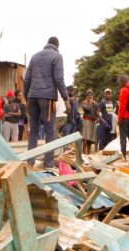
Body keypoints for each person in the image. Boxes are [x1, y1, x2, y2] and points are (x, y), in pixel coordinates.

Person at [24, 37, 69, 168]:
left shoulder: (35, 57)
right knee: (49, 131)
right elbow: (59, 78)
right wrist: (66, 99)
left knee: (33, 130)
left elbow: (27, 79)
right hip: (47, 98)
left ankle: (29, 162)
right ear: (57, 46)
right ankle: (48, 163)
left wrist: (27, 98)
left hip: (32, 95)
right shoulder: (57, 56)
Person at [80, 89, 98, 154]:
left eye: (91, 95)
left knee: (90, 138)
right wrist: (90, 103)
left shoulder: (94, 103)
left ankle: (88, 152)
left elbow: (97, 110)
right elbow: (88, 109)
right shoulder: (84, 103)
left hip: (93, 121)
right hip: (87, 121)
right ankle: (84, 152)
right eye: (89, 95)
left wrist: (97, 118)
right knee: (86, 137)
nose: (90, 96)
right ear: (86, 96)